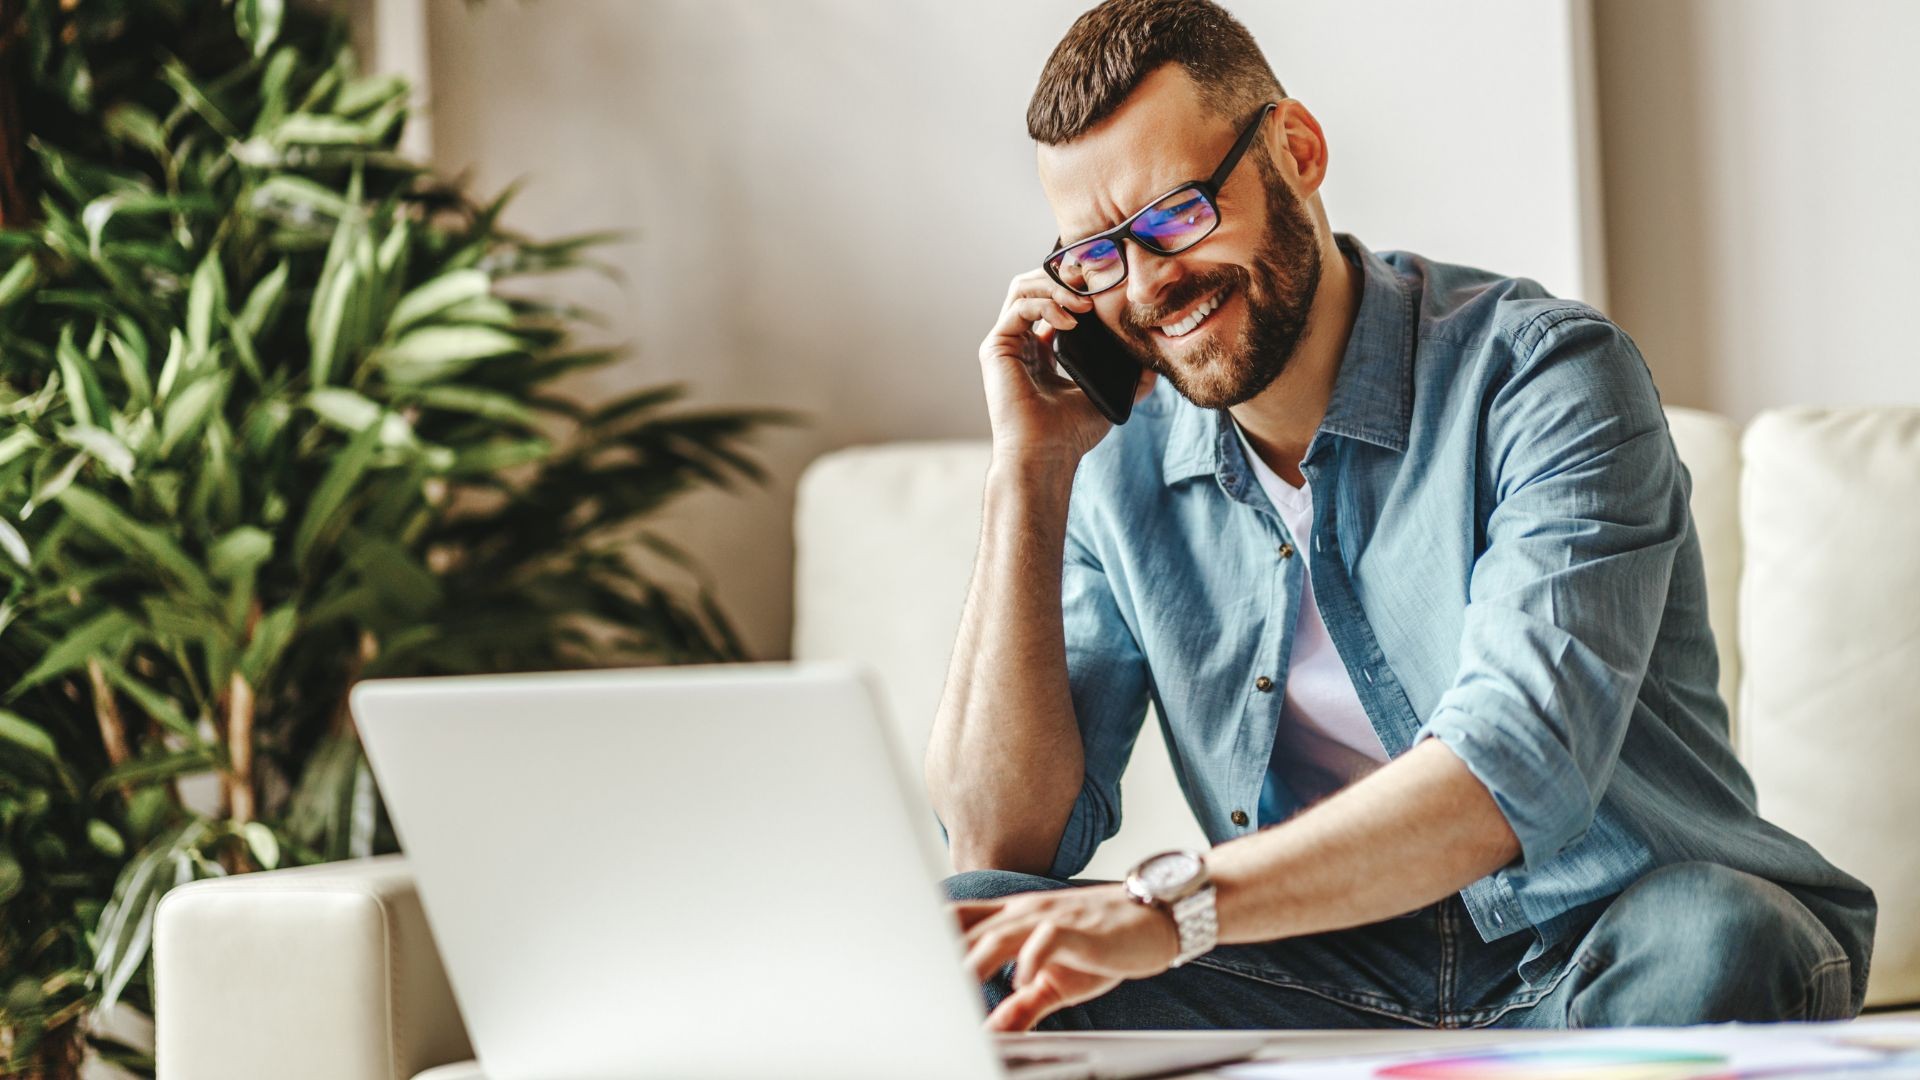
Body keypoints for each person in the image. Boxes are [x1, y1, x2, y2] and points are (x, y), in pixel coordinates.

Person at [924, 0, 1875, 1035]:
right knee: (965, 943)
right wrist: (1029, 471)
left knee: (1719, 933)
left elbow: (1513, 764)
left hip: (1605, 938)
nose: (1150, 287)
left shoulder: (1544, 375)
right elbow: (997, 842)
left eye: (1178, 214)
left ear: (1297, 148)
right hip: (1331, 975)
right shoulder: (1121, 460)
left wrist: (1177, 909)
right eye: (1098, 257)